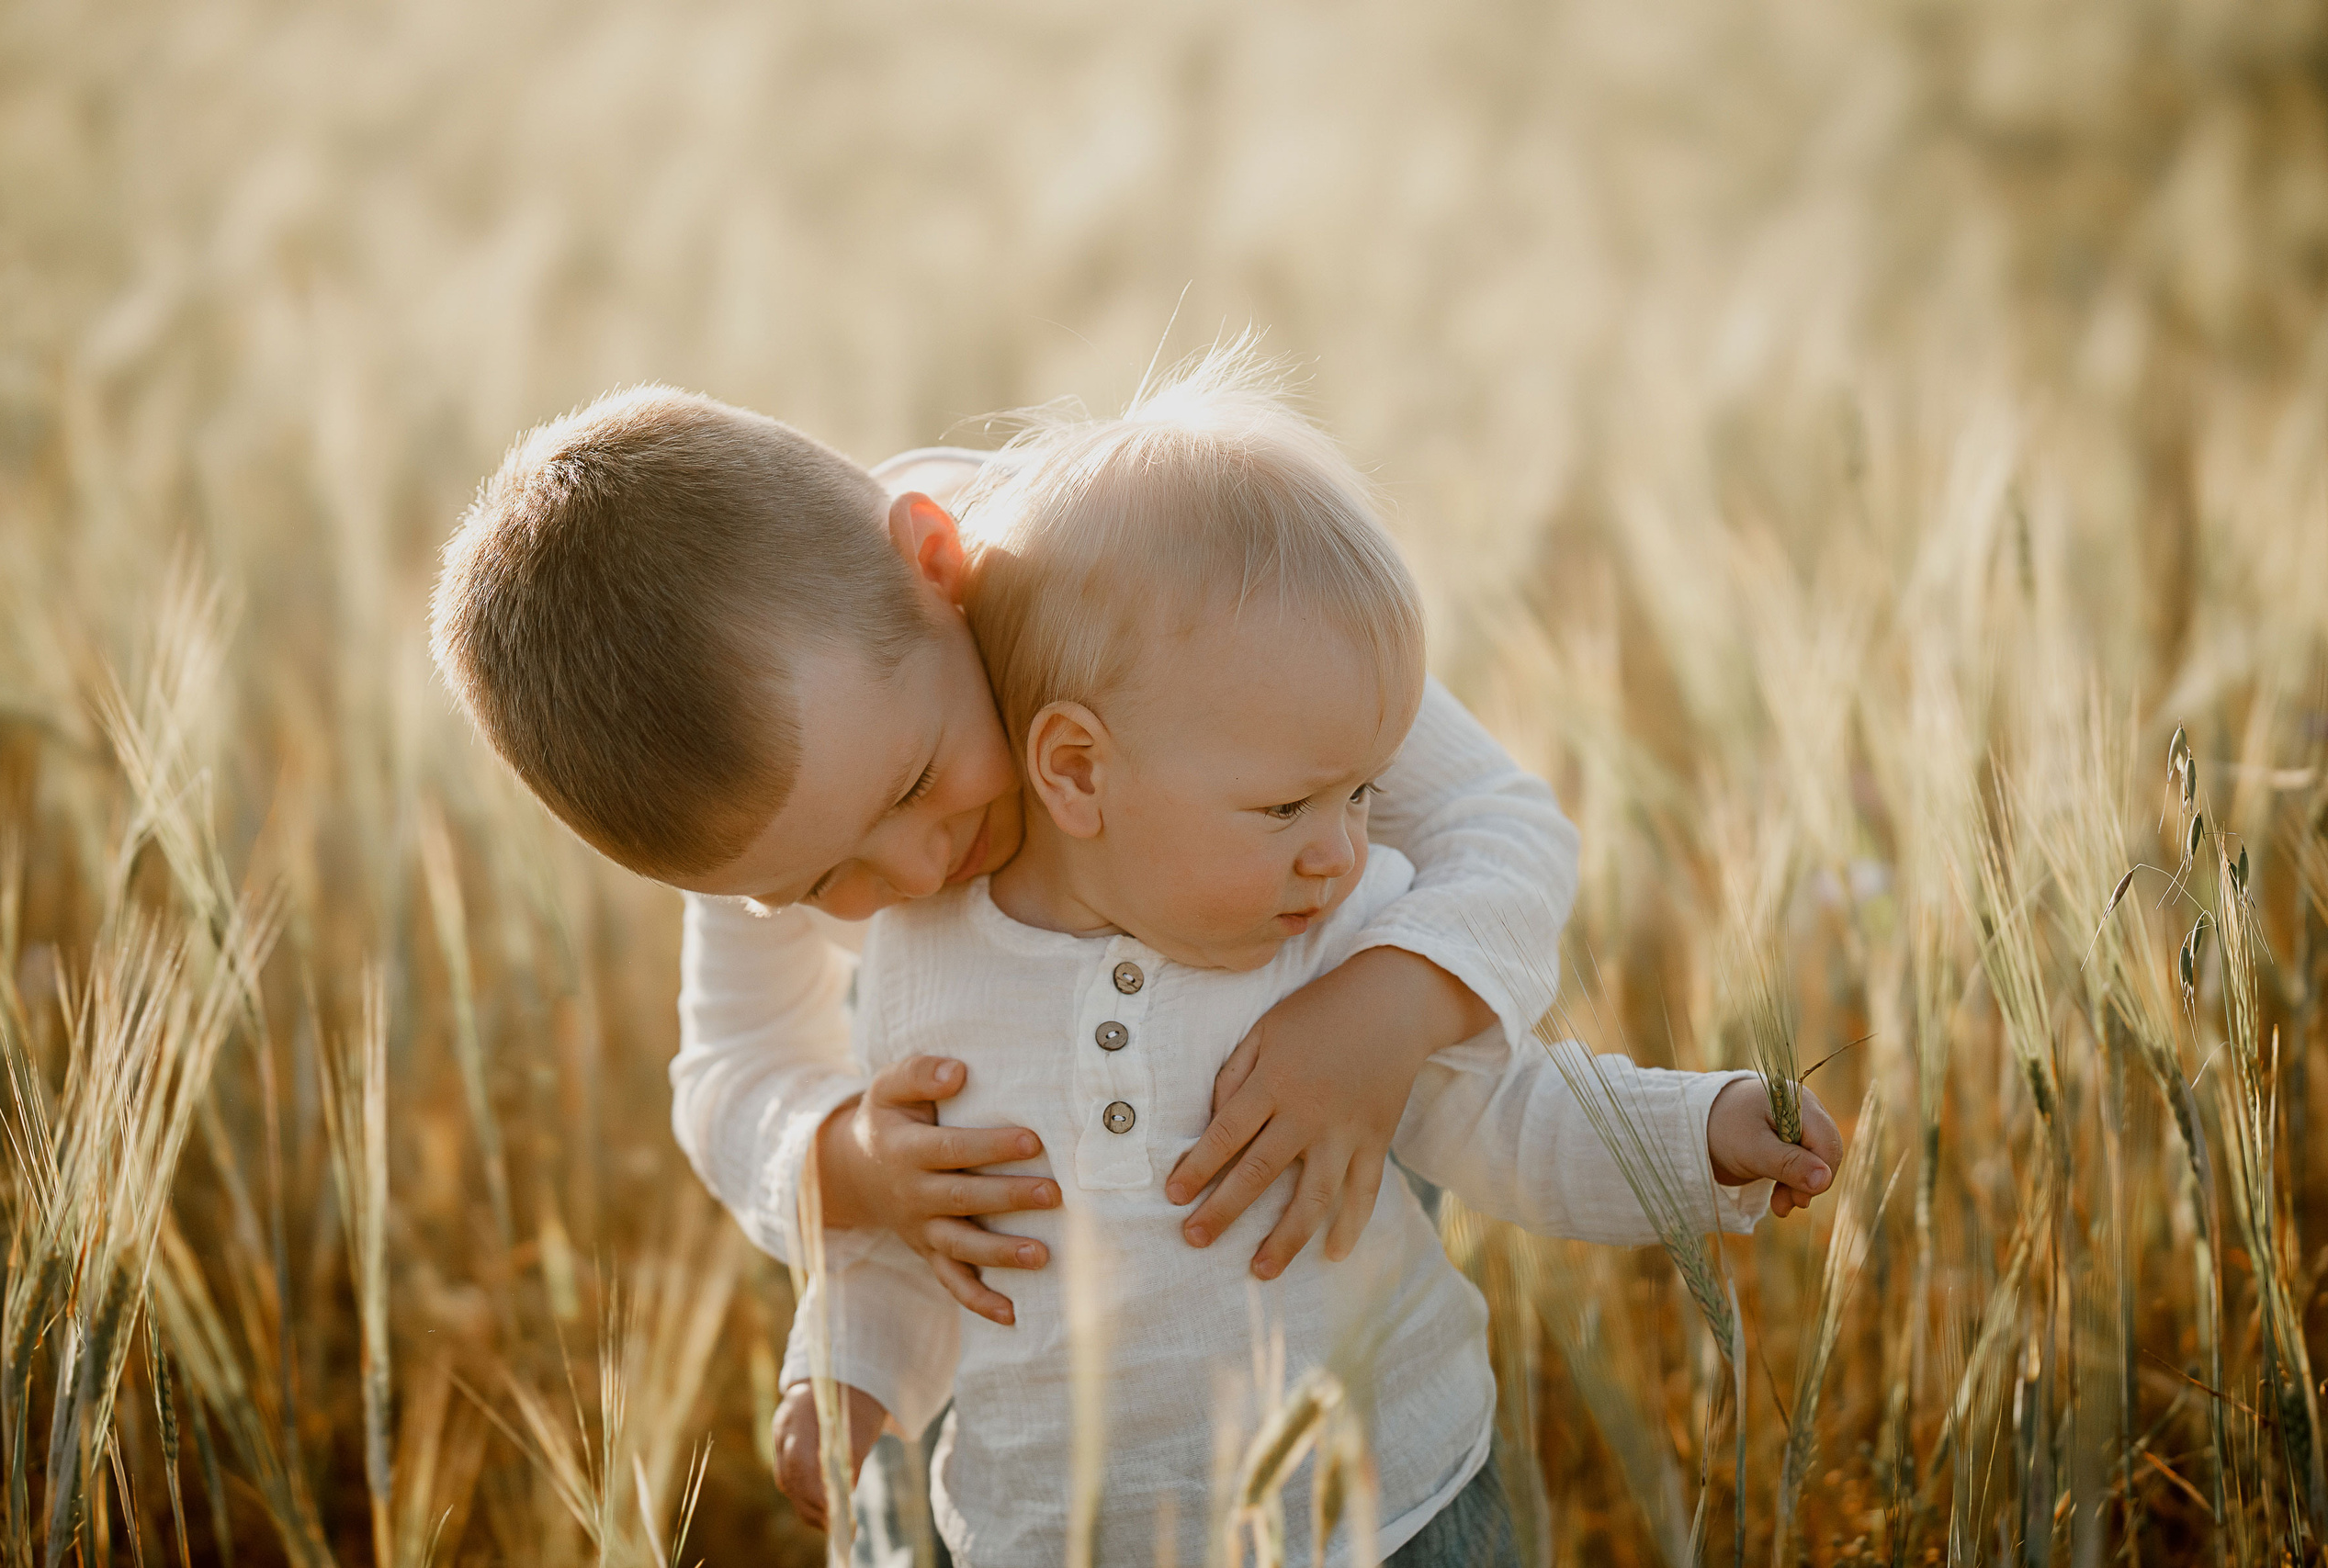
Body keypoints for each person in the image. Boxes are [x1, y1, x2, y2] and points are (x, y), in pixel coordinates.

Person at [766, 347, 1844, 1565]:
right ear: (1077, 771)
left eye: (1364, 796)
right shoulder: (927, 972)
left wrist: (1697, 1137)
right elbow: (920, 1241)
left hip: (1388, 1501)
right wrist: (844, 1383)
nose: (1340, 851)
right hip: (1056, 1531)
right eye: (1287, 810)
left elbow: (1510, 1112)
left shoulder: (1339, 943)